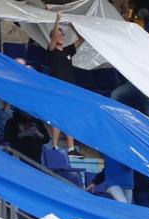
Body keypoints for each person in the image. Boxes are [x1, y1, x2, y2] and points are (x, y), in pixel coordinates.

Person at [46, 13, 81, 155]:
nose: (60, 37)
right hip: (57, 89)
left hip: (69, 89)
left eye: (62, 35)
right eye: (58, 35)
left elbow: (82, 39)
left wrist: (73, 25)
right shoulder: (52, 50)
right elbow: (54, 37)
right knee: (57, 117)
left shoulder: (68, 50)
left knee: (69, 118)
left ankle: (71, 148)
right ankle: (54, 146)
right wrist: (57, 20)